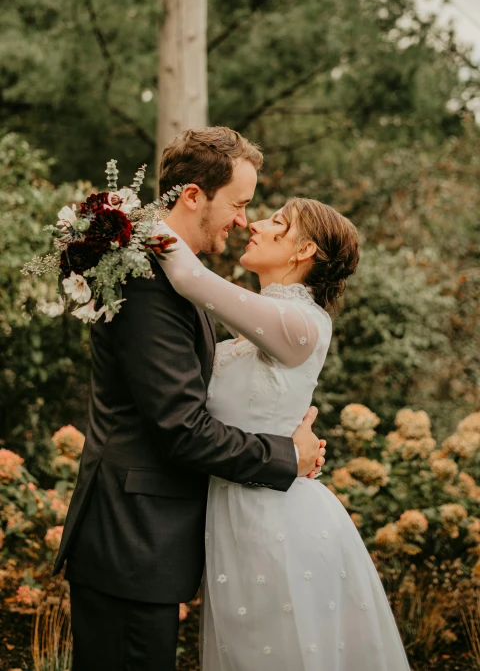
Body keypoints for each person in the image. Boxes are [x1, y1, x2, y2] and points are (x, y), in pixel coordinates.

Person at [53, 127, 326, 671]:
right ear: (194, 196)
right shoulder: (150, 283)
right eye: (240, 204)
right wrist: (284, 457)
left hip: (146, 543)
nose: (245, 220)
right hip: (132, 542)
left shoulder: (178, 278)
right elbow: (181, 428)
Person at [156, 196, 411, 670]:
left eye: (276, 222)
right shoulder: (256, 328)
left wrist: (126, 217)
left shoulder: (302, 323)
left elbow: (189, 277)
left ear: (303, 250)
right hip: (235, 510)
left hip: (277, 522)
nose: (254, 223)